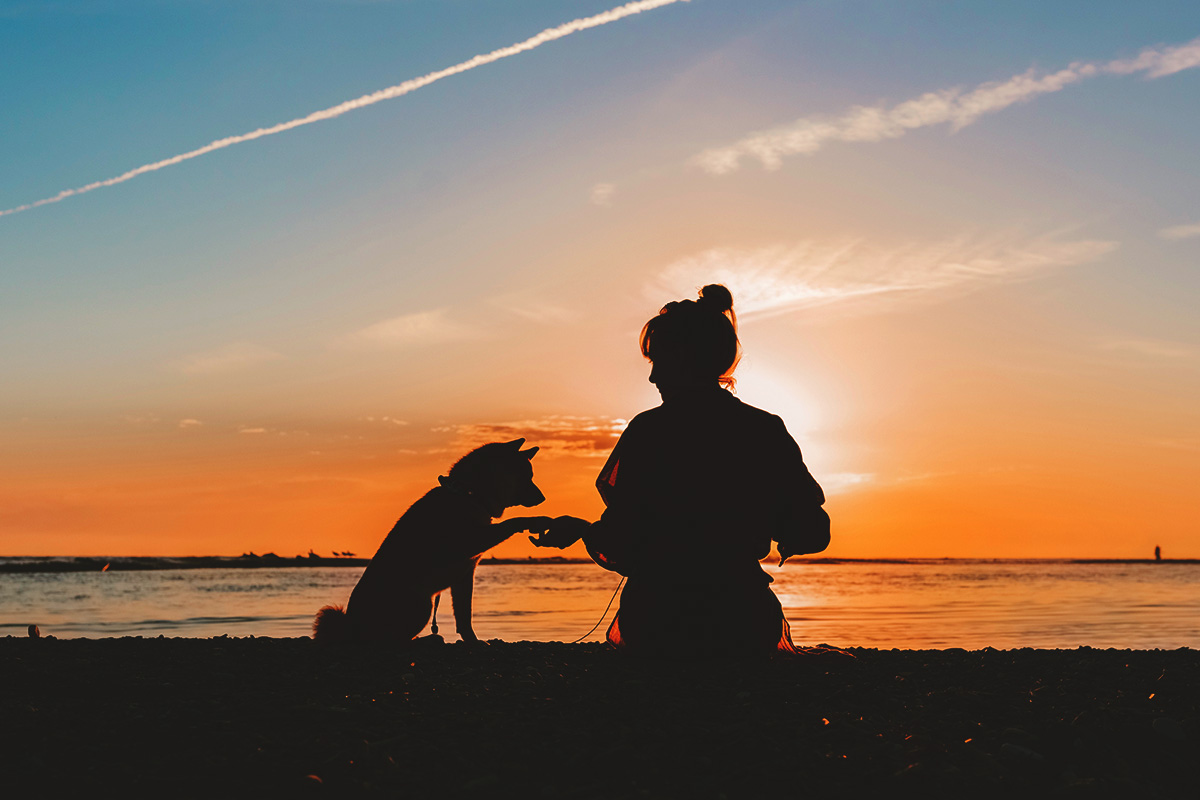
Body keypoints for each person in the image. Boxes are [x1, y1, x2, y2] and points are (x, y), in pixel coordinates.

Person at [531, 284, 830, 656]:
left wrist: (580, 530)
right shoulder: (764, 428)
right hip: (743, 622)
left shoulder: (649, 430)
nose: (654, 378)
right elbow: (812, 532)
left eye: (661, 362)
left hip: (658, 623)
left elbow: (624, 539)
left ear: (687, 361)